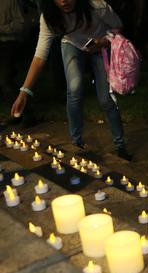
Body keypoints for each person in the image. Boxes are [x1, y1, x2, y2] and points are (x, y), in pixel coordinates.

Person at [10, 0, 131, 160]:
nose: (64, 0)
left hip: (100, 44)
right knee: (74, 88)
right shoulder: (49, 17)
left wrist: (103, 41)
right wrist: (24, 93)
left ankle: (120, 145)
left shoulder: (97, 6)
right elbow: (39, 57)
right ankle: (76, 143)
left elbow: (118, 26)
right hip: (71, 44)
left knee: (105, 99)